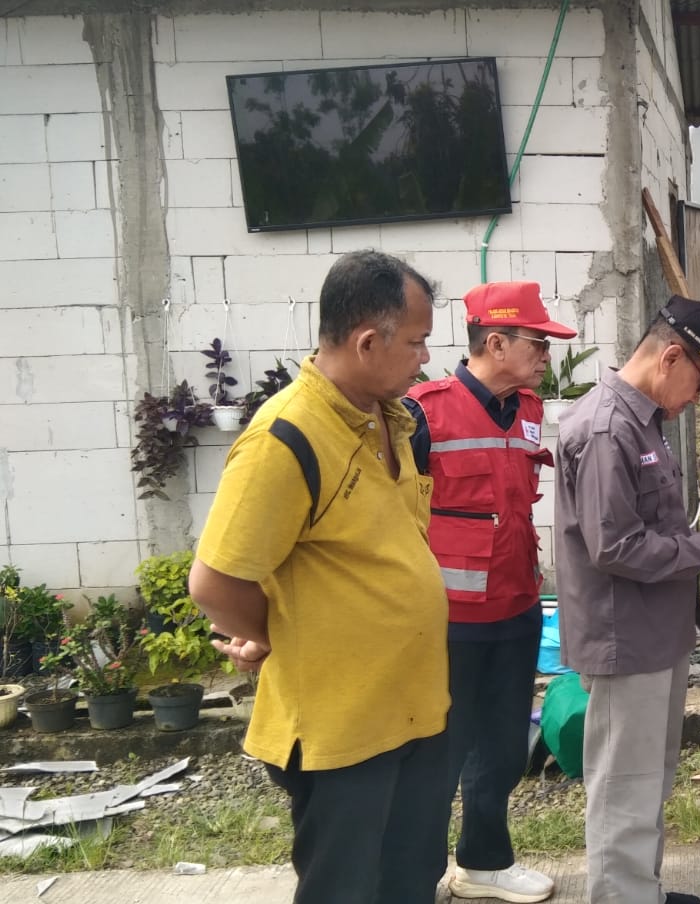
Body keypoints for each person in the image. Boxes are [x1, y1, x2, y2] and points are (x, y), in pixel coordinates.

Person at [190, 250, 451, 904]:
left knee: (411, 880)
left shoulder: (393, 419)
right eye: (417, 342)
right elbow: (215, 582)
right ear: (368, 342)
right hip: (344, 732)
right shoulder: (287, 438)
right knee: (347, 890)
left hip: (414, 710)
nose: (425, 357)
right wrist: (273, 634)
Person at [555, 295, 700, 904]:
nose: (696, 397)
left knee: (649, 779)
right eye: (699, 382)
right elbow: (616, 548)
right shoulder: (607, 429)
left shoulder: (640, 421)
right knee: (624, 787)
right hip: (626, 638)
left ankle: (637, 891)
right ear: (671, 356)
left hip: (656, 631)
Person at [402, 281, 574, 904]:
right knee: (436, 754)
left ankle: (484, 862)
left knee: (502, 748)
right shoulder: (423, 412)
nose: (545, 356)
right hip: (448, 620)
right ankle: (413, 880)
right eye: (538, 343)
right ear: (495, 341)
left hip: (519, 608)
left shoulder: (528, 408)